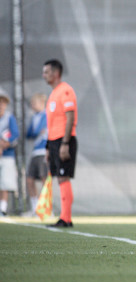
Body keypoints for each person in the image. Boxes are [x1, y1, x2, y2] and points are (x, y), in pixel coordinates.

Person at [43, 59, 78, 228]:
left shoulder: (65, 91)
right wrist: (48, 147)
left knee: (64, 177)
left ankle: (66, 218)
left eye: (47, 72)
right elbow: (52, 123)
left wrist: (65, 143)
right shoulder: (53, 93)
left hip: (64, 140)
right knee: (60, 178)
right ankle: (64, 217)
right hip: (54, 141)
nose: (44, 75)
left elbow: (70, 117)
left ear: (56, 73)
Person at [25, 93, 49, 216]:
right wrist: (36, 132)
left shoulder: (47, 115)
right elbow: (30, 133)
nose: (32, 106)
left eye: (34, 103)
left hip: (44, 151)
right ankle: (35, 207)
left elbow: (44, 131)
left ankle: (47, 208)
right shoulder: (34, 117)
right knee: (30, 180)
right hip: (35, 152)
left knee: (45, 179)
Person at [0, 93, 19, 216]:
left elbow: (15, 135)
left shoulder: (9, 118)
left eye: (3, 103)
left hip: (7, 155)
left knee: (5, 183)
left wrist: (4, 144)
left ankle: (3, 208)